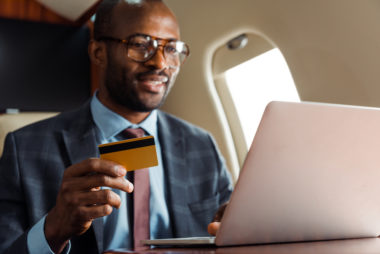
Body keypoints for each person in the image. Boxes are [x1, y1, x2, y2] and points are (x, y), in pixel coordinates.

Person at [0, 0, 233, 253]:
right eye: (141, 45)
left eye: (172, 49)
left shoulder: (202, 145)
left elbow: (227, 228)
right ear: (98, 53)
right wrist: (54, 229)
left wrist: (233, 230)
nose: (159, 63)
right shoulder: (24, 149)